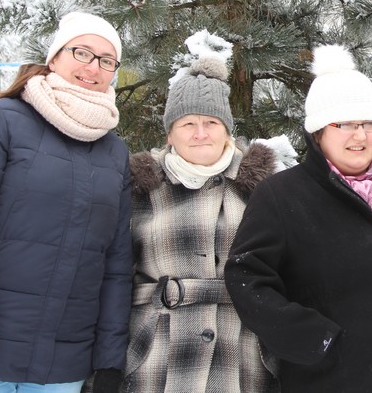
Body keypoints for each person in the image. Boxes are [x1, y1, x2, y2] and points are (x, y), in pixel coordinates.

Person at [225, 44, 372, 392]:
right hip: (329, 381)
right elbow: (246, 277)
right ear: (319, 132)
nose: (360, 135)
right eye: (345, 124)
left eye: (369, 123)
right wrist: (314, 341)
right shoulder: (281, 194)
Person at [0, 12, 132, 393]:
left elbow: (115, 266)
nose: (93, 67)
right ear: (54, 57)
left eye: (106, 60)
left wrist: (109, 360)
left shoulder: (114, 153)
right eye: (82, 52)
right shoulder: (1, 121)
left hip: (60, 365)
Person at [119, 56, 279, 393]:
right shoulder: (140, 187)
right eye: (187, 123)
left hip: (241, 355)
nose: (200, 133)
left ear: (227, 130)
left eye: (211, 122)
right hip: (158, 354)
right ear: (170, 133)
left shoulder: (263, 188)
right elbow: (114, 278)